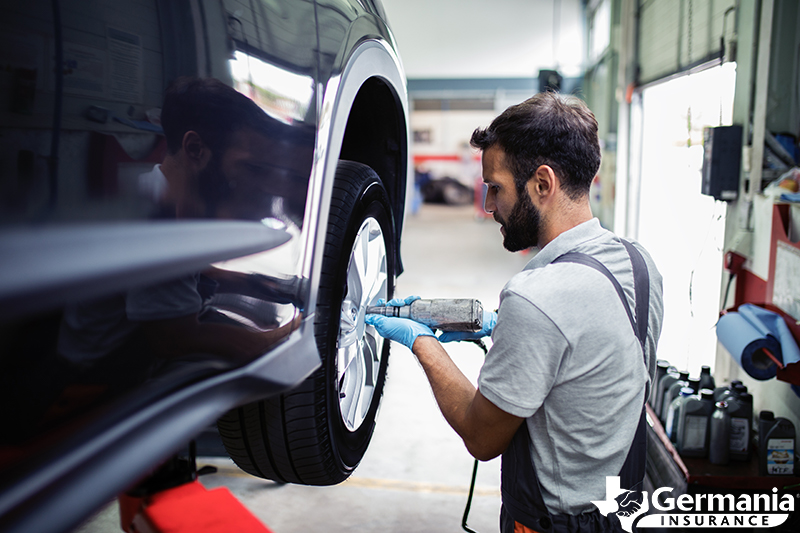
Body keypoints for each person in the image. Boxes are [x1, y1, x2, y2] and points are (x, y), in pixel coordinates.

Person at [366, 92, 664, 533]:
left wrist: (421, 342)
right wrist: (498, 325)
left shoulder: (536, 298)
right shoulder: (639, 263)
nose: (488, 207)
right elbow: (587, 345)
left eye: (496, 188)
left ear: (542, 184)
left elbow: (481, 437)